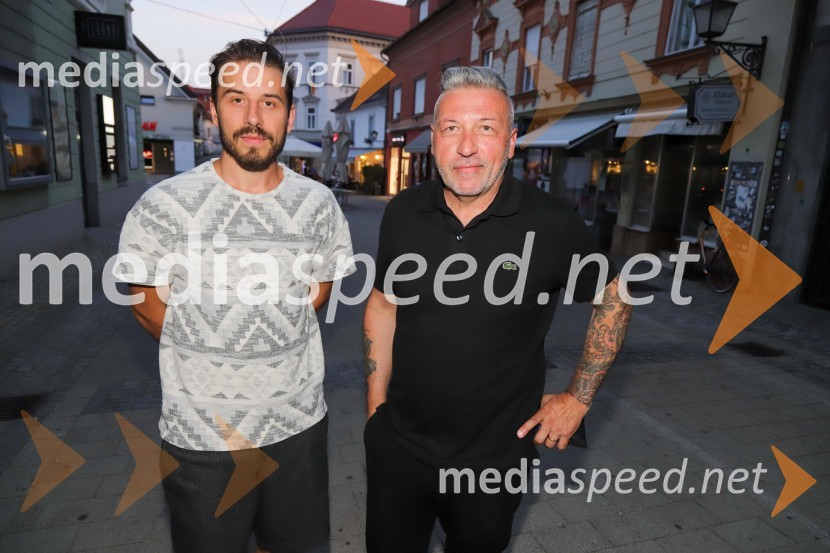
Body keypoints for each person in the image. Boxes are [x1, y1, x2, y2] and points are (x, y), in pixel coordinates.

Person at [362, 66, 632, 553]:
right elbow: (382, 304)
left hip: (494, 463)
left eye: (485, 128)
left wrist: (579, 397)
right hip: (397, 450)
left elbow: (614, 298)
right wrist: (374, 407)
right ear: (433, 140)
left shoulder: (551, 223)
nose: (467, 146)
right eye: (451, 129)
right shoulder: (403, 212)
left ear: (510, 142)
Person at [113, 39, 354, 553]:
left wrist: (262, 328)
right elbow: (148, 307)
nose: (252, 116)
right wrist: (220, 355)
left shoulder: (319, 205)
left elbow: (320, 288)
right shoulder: (162, 206)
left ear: (289, 114)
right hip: (202, 439)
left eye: (269, 101)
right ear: (213, 108)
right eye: (235, 98)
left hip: (297, 427)